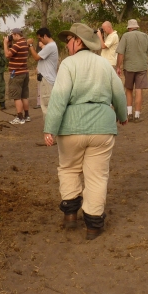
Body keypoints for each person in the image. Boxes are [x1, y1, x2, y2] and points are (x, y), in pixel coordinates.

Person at [43, 23, 128, 240]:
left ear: (78, 41)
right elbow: (119, 92)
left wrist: (50, 129)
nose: (66, 45)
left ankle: (70, 214)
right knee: (97, 176)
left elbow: (59, 98)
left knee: (69, 169)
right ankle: (93, 225)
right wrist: (122, 115)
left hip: (71, 128)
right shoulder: (104, 64)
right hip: (102, 128)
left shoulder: (68, 64)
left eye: (68, 40)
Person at [115, 19, 148, 122]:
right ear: (137, 27)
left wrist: (118, 66)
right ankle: (137, 115)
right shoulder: (145, 36)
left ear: (129, 28)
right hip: (142, 67)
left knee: (129, 89)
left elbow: (120, 53)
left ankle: (129, 113)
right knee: (139, 89)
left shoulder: (126, 36)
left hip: (129, 67)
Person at [27, 27, 59, 120]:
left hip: (47, 80)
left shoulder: (50, 46)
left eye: (40, 38)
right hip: (47, 79)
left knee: (46, 107)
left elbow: (36, 57)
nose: (40, 41)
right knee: (47, 105)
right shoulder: (51, 46)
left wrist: (30, 45)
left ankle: (49, 127)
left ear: (45, 36)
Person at [3, 28, 31, 125]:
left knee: (16, 96)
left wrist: (5, 43)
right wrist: (10, 44)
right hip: (24, 72)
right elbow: (13, 53)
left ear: (16, 35)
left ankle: (20, 117)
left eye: (12, 35)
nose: (12, 37)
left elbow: (7, 55)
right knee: (24, 96)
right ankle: (27, 115)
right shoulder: (24, 43)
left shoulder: (17, 44)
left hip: (16, 73)